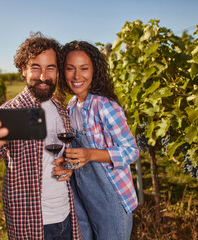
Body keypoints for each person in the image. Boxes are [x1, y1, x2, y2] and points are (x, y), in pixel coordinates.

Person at [0, 33, 81, 240]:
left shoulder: (62, 111)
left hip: (67, 217)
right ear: (23, 70)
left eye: (50, 67)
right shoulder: (9, 114)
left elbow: (63, 159)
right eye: (35, 67)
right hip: (30, 225)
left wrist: (68, 166)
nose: (43, 76)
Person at [57, 40, 140, 240]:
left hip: (110, 197)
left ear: (95, 71)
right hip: (83, 196)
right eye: (70, 69)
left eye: (84, 68)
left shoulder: (104, 106)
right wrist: (69, 164)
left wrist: (90, 154)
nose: (77, 76)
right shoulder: (71, 106)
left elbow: (131, 151)